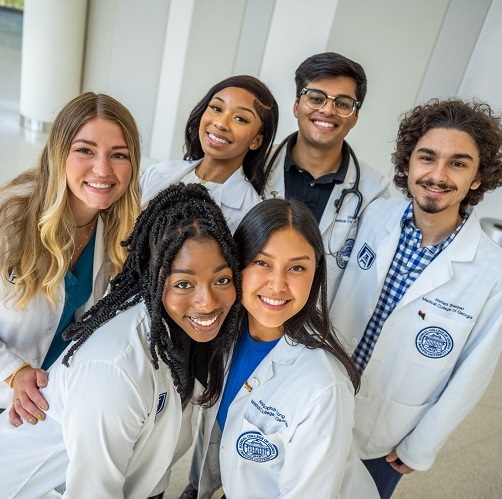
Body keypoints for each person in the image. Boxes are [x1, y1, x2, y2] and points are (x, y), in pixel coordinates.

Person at [0, 183, 241, 498]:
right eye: (184, 283)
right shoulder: (115, 367)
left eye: (222, 279)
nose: (207, 302)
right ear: (152, 278)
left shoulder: (182, 342)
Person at [331, 98, 502, 498]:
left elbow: (472, 373)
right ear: (408, 164)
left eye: (458, 163)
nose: (438, 175)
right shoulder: (375, 218)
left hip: (388, 432)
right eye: (427, 158)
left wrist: (421, 446)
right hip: (325, 397)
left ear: (478, 177)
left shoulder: (492, 270)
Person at [196, 198, 379, 498]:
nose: (277, 284)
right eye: (262, 262)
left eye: (296, 267)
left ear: (316, 274)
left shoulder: (324, 388)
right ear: (237, 263)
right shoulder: (222, 334)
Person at [0, 92, 141, 426]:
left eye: (118, 155)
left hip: (51, 398)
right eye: (85, 150)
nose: (103, 169)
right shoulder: (9, 218)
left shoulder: (120, 228)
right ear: (58, 153)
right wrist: (13, 372)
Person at [261, 52, 389, 302]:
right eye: (316, 98)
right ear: (297, 106)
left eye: (342, 103)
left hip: (314, 327)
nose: (328, 110)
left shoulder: (374, 192)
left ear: (355, 116)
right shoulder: (256, 163)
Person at [140, 74, 279, 233]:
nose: (220, 124)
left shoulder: (251, 214)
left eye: (240, 118)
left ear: (256, 141)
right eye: (216, 108)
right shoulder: (158, 173)